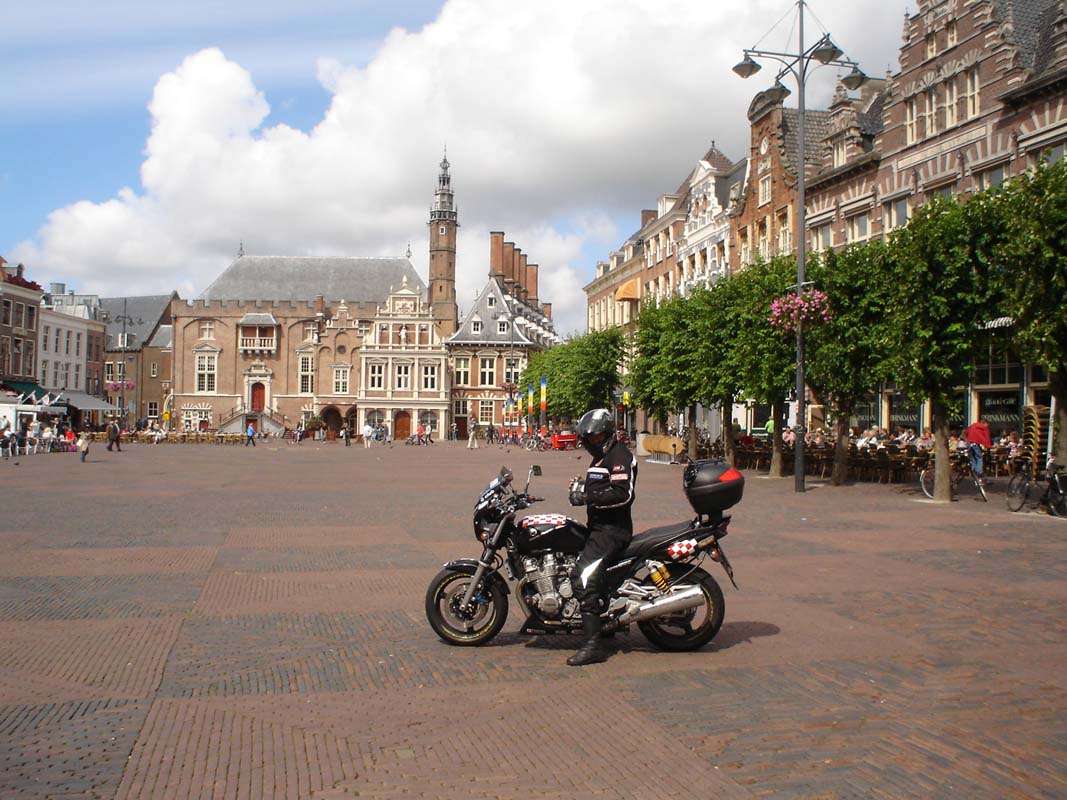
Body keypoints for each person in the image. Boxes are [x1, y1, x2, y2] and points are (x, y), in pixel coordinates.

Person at [566, 408, 638, 667]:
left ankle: (592, 646)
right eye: (588, 439)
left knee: (582, 578)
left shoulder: (620, 456)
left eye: (595, 438)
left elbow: (622, 494)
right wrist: (581, 487)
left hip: (612, 531)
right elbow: (600, 486)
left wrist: (587, 497)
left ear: (607, 434)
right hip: (598, 528)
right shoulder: (601, 458)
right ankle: (604, 621)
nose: (591, 443)